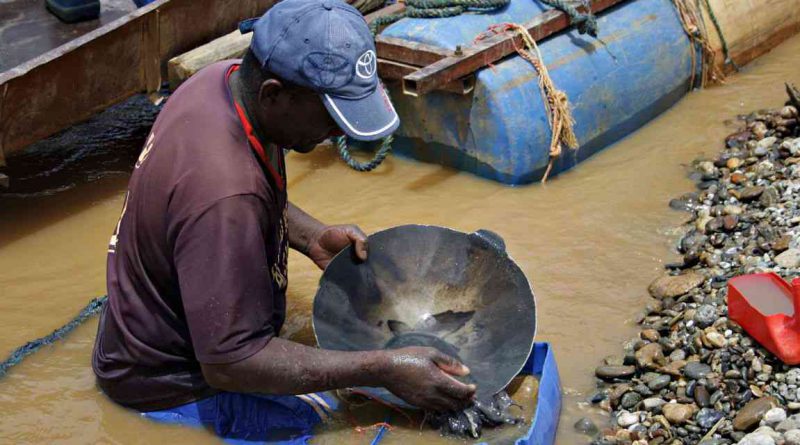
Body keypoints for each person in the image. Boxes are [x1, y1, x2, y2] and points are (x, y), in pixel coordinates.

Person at [92, 0, 476, 440]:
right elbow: (230, 363)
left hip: (134, 336)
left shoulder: (219, 83)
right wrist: (381, 368)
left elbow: (237, 197)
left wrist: (310, 236)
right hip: (170, 384)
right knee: (339, 420)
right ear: (273, 94)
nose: (339, 132)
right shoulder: (224, 192)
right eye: (331, 115)